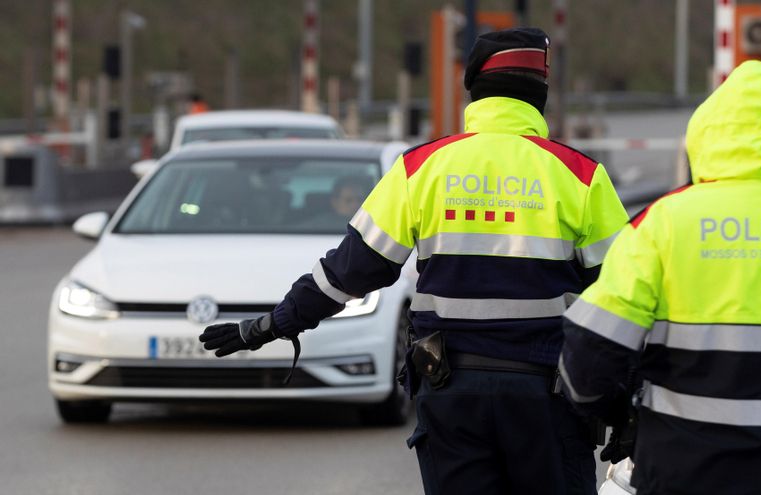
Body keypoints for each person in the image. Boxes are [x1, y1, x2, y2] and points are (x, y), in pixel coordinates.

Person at [200, 27, 628, 494]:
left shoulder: (420, 168)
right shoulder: (582, 176)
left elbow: (349, 272)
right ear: (540, 94)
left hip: (450, 390)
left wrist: (274, 323)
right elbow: (623, 302)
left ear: (474, 89)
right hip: (546, 398)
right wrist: (628, 405)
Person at [558, 60, 761, 495]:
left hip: (685, 471)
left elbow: (588, 361)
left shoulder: (664, 223)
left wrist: (622, 414)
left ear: (710, 127)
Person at [296, 176, 371, 231]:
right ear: (335, 202)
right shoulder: (316, 227)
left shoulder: (372, 227)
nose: (355, 205)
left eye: (360, 199)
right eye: (349, 200)